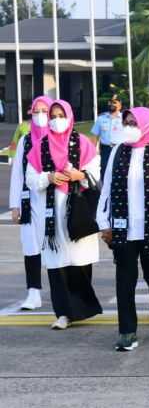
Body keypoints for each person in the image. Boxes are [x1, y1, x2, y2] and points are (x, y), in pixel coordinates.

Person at [97, 107, 149, 351]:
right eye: (127, 123)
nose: (129, 127)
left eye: (134, 123)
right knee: (125, 279)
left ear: (146, 125)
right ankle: (127, 331)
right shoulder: (117, 152)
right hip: (124, 229)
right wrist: (104, 222)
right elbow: (107, 189)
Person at [26, 100, 103, 330]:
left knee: (78, 260)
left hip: (78, 210)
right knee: (56, 262)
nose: (56, 120)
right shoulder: (40, 146)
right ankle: (63, 313)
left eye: (61, 115)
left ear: (70, 117)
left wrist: (79, 174)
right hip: (51, 214)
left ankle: (80, 308)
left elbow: (95, 172)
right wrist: (48, 178)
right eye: (53, 115)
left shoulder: (83, 143)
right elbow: (31, 178)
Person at [9, 95, 53, 310]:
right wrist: (15, 205)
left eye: (45, 111)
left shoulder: (58, 139)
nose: (41, 116)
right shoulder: (26, 141)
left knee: (56, 248)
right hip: (29, 203)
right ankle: (33, 293)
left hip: (55, 201)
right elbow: (17, 174)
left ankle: (62, 294)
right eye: (37, 111)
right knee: (31, 247)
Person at [91, 95, 124, 178]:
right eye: (110, 102)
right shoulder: (101, 119)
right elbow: (95, 136)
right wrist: (92, 153)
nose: (111, 104)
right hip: (105, 150)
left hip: (120, 149)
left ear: (120, 106)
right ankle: (104, 190)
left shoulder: (124, 118)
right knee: (104, 170)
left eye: (114, 102)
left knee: (119, 170)